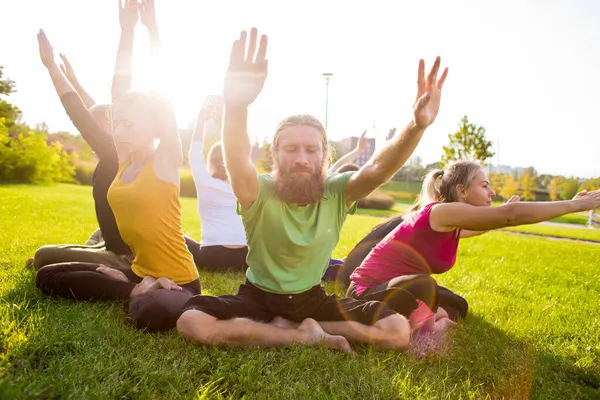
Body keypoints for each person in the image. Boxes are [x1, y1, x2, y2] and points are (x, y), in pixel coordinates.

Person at [177, 27, 449, 353]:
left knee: (396, 331)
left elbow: (377, 170)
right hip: (258, 297)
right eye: (291, 149)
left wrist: (416, 126)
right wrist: (236, 106)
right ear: (275, 155)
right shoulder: (258, 191)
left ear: (324, 156)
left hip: (312, 300)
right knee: (190, 321)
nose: (302, 159)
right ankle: (301, 335)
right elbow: (236, 158)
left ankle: (295, 329)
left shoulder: (336, 192)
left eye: (311, 150)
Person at [35, 2, 200, 332]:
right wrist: (125, 33)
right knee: (47, 275)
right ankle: (133, 288)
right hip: (137, 273)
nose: (118, 130)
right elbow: (118, 91)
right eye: (117, 123)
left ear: (154, 126)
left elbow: (163, 96)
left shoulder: (165, 158)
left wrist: (150, 29)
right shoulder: (123, 160)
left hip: (180, 281)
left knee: (149, 315)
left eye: (128, 124)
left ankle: (143, 292)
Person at [348, 160, 600, 327]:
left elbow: (493, 223)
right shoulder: (440, 213)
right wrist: (575, 205)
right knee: (424, 285)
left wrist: (563, 203)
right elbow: (509, 217)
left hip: (399, 290)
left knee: (459, 304)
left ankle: (431, 318)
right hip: (366, 293)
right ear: (462, 191)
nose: (491, 193)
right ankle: (426, 325)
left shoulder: (452, 223)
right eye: (485, 185)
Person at [31, 0, 160, 271]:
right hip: (117, 242)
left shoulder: (119, 153)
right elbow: (92, 108)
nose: (106, 120)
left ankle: (108, 261)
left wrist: (50, 66)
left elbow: (85, 108)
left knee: (43, 256)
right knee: (97, 235)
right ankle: (95, 251)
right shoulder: (125, 149)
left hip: (126, 257)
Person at [184, 97, 248, 271]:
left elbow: (194, 152)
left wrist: (201, 120)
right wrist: (223, 124)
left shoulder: (204, 182)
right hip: (245, 258)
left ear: (210, 161)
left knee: (176, 235)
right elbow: (240, 151)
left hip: (211, 257)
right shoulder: (243, 184)